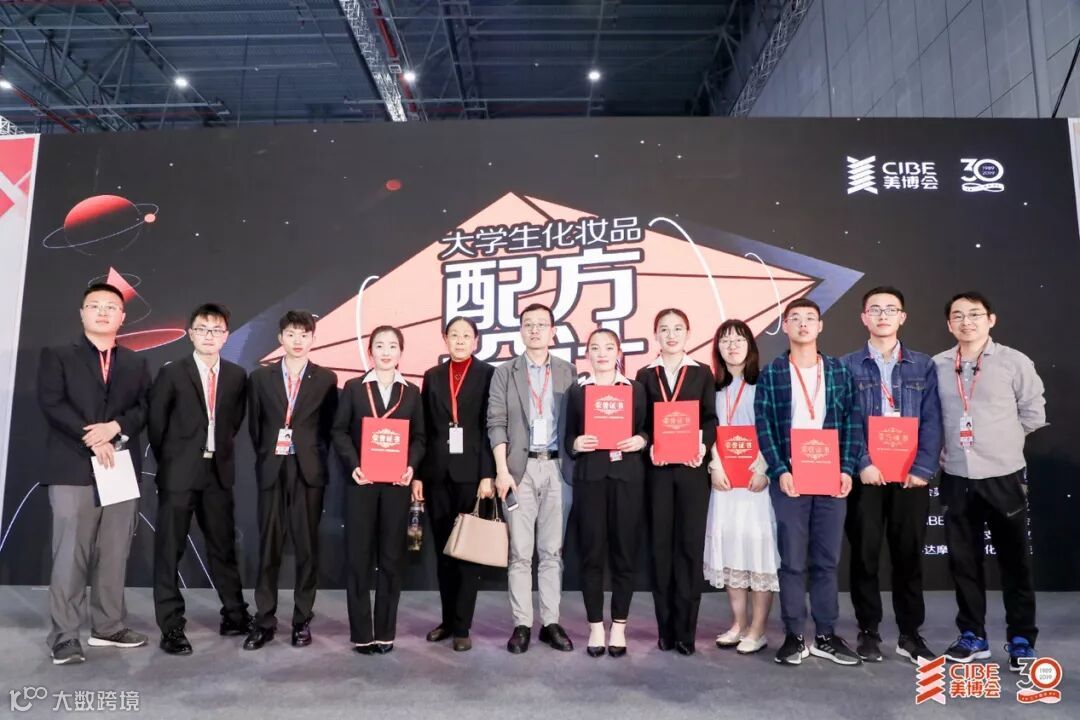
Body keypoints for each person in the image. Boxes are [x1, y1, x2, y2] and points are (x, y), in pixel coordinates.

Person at [37, 283, 152, 665]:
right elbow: (52, 402)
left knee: (115, 551)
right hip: (72, 466)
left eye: (111, 307)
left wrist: (115, 427)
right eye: (95, 305)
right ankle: (65, 636)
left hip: (118, 467)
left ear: (122, 316)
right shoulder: (58, 355)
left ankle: (108, 626)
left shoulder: (135, 362)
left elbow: (145, 407)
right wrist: (92, 436)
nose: (103, 312)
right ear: (82, 313)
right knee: (70, 554)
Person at [934, 291, 1046, 671]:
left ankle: (1021, 638)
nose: (967, 322)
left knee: (1015, 561)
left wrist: (1003, 442)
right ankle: (972, 635)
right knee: (964, 562)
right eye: (958, 316)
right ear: (949, 324)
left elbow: (1033, 413)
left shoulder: (1014, 361)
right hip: (956, 474)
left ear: (991, 319)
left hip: (1003, 475)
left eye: (975, 314)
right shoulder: (938, 365)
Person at [754, 298, 862, 667]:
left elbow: (852, 422)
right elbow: (764, 425)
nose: (803, 324)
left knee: (827, 560)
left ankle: (827, 635)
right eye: (795, 318)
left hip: (831, 476)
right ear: (785, 326)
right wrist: (779, 470)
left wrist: (846, 469)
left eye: (810, 318)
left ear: (820, 326)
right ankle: (794, 635)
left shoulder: (838, 371)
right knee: (792, 561)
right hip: (790, 477)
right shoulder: (773, 372)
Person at [841, 286, 942, 665]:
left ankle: (910, 633)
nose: (882, 315)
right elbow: (845, 419)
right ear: (863, 317)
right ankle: (868, 630)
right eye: (875, 309)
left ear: (902, 317)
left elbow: (933, 419)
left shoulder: (923, 365)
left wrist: (923, 468)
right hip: (866, 475)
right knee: (864, 555)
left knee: (908, 557)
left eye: (890, 309)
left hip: (910, 476)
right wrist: (862, 461)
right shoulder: (847, 365)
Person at [148, 303, 250, 656]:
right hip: (179, 474)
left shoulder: (237, 376)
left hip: (218, 472)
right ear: (191, 333)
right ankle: (172, 627)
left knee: (223, 547)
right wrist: (174, 462)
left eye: (217, 330)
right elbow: (157, 426)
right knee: (169, 551)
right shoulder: (172, 372)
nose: (210, 335)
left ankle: (235, 615)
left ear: (226, 336)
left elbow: (234, 422)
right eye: (203, 329)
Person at [243, 310, 339, 650]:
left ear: (313, 338)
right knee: (268, 546)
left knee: (307, 548)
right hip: (272, 468)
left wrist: (312, 455)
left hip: (308, 470)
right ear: (280, 338)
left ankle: (301, 620)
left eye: (304, 334)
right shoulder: (260, 378)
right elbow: (255, 427)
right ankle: (264, 620)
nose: (298, 341)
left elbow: (329, 428)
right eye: (291, 334)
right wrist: (270, 454)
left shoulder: (326, 379)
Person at [487, 303, 576, 654]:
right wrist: (501, 470)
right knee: (520, 553)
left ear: (553, 331)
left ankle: (550, 622)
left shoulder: (569, 372)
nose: (535, 330)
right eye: (528, 324)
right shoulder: (505, 372)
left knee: (552, 551)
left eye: (542, 324)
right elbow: (496, 422)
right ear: (521, 330)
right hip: (518, 471)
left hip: (558, 469)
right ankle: (522, 624)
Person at [332, 325, 425, 655]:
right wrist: (353, 464)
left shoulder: (411, 392)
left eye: (393, 346)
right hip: (362, 484)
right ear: (370, 351)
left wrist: (411, 466)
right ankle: (362, 633)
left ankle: (385, 632)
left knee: (391, 559)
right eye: (380, 346)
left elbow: (420, 438)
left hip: (397, 486)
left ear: (401, 352)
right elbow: (340, 431)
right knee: (358, 558)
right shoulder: (354, 388)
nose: (386, 352)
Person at [636, 308, 717, 655]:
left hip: (691, 470)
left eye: (678, 329)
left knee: (688, 548)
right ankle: (665, 629)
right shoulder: (644, 374)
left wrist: (703, 446)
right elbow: (640, 423)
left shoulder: (702, 372)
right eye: (664, 329)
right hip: (657, 471)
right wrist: (650, 444)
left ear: (688, 333)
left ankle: (686, 631)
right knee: (661, 550)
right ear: (655, 335)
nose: (671, 335)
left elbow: (710, 419)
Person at [563, 329, 648, 657]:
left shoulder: (635, 389)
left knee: (625, 554)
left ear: (618, 352)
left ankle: (620, 627)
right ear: (587, 353)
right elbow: (568, 436)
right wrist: (576, 443)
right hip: (591, 479)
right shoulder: (578, 391)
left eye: (608, 347)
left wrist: (641, 440)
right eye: (595, 348)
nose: (602, 353)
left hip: (627, 479)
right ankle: (596, 626)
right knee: (592, 554)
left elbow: (647, 430)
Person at [415, 316, 496, 652]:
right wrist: (418, 474)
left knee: (467, 553)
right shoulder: (433, 376)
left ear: (476, 340)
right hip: (437, 474)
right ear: (445, 339)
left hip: (472, 475)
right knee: (443, 551)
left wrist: (488, 473)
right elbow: (423, 428)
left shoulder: (489, 374)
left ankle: (463, 626)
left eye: (466, 335)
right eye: (454, 335)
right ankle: (447, 620)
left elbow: (492, 426)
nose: (460, 341)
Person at [704, 319, 778, 656]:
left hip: (756, 481)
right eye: (725, 340)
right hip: (725, 482)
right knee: (731, 549)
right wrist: (714, 464)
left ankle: (758, 629)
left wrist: (764, 467)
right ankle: (738, 623)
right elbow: (709, 429)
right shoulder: (712, 388)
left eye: (738, 339)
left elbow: (774, 428)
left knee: (759, 552)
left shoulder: (765, 384)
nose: (732, 345)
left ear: (751, 345)